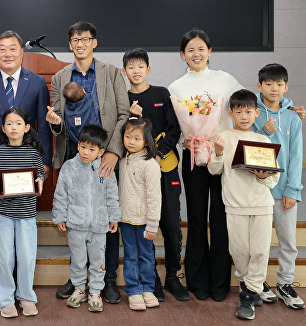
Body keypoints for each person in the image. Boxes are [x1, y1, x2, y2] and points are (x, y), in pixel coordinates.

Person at [47, 21, 130, 304]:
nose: (79, 43)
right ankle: (77, 279)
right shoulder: (60, 77)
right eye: (74, 40)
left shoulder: (112, 73)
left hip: (104, 157)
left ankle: (107, 279)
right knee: (78, 220)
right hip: (75, 154)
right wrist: (54, 123)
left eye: (85, 38)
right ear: (70, 45)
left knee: (105, 218)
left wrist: (113, 152)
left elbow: (123, 114)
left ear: (95, 42)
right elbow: (56, 121)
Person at [0, 30, 53, 300]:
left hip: (27, 163)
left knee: (23, 222)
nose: (7, 53)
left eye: (12, 48)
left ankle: (20, 282)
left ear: (21, 53)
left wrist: (45, 161)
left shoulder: (38, 82)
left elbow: (42, 124)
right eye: (2, 49)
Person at [167, 27, 244, 302]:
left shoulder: (226, 80)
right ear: (182, 55)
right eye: (190, 50)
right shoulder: (176, 87)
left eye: (201, 49)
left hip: (221, 155)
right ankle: (197, 279)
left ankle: (220, 281)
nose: (196, 54)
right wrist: (188, 142)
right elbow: (175, 125)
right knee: (197, 218)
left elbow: (244, 109)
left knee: (221, 217)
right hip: (193, 157)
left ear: (210, 51)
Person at [122, 48, 188, 302]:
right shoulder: (124, 97)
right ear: (124, 71)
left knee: (170, 223)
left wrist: (158, 154)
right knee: (139, 224)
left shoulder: (162, 93)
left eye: (141, 66)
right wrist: (132, 115)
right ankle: (150, 281)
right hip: (135, 172)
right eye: (131, 67)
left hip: (164, 165)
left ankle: (173, 274)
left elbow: (175, 129)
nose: (136, 71)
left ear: (148, 69)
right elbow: (125, 132)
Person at [208, 89, 280, 320]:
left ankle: (248, 295)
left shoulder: (263, 140)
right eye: (239, 112)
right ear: (231, 113)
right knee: (239, 251)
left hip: (261, 204)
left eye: (249, 111)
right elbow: (214, 169)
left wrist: (261, 175)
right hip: (235, 204)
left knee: (259, 251)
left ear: (256, 113)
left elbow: (273, 179)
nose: (244, 116)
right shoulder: (223, 137)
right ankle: (249, 284)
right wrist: (217, 153)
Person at [252, 64, 305, 310]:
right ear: (259, 86)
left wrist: (292, 190)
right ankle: (258, 282)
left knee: (288, 240)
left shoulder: (294, 117)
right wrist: (263, 132)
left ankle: (285, 283)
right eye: (270, 83)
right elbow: (248, 146)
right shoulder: (253, 114)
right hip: (259, 189)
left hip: (284, 191)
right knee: (259, 241)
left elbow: (296, 156)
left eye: (280, 84)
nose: (275, 88)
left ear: (286, 87)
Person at [52, 124, 121, 313]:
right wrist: (59, 216)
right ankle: (80, 289)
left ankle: (96, 292)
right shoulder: (69, 167)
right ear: (78, 145)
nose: (86, 152)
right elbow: (60, 194)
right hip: (76, 224)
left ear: (101, 151)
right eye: (83, 147)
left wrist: (114, 218)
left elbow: (112, 195)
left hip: (99, 225)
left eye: (91, 149)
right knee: (78, 260)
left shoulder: (105, 169)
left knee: (98, 260)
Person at [0, 108, 45, 318]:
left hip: (27, 214)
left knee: (27, 257)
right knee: (4, 257)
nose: (14, 127)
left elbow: (40, 174)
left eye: (18, 123)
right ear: (3, 128)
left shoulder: (32, 152)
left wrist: (40, 181)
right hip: (3, 213)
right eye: (9, 123)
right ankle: (5, 298)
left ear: (27, 128)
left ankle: (26, 295)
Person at [118, 118, 161, 311]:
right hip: (126, 220)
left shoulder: (150, 164)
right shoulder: (122, 161)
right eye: (128, 137)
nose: (131, 141)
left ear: (146, 141)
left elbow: (154, 197)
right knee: (130, 255)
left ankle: (148, 289)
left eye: (137, 138)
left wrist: (152, 224)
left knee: (146, 256)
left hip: (144, 222)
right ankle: (134, 291)